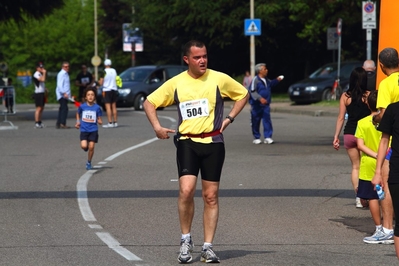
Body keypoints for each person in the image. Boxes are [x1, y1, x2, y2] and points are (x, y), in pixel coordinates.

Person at [143, 40, 249, 264]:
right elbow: (149, 103)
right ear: (187, 60)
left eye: (205, 56)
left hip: (213, 143)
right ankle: (185, 239)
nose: (202, 60)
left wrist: (229, 119)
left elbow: (243, 94)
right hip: (187, 142)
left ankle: (208, 247)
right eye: (197, 57)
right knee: (186, 190)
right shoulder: (177, 83)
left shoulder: (218, 79)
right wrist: (157, 127)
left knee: (210, 196)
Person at [371, 47, 399, 245]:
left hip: (391, 143)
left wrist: (375, 118)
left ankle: (388, 228)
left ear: (381, 66)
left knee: (387, 186)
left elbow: (383, 114)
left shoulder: (386, 83)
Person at [355, 90, 390, 244]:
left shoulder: (362, 122)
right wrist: (382, 156)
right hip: (387, 160)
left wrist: (375, 155)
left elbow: (360, 145)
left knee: (372, 196)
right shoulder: (388, 121)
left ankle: (378, 227)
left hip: (369, 162)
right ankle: (389, 225)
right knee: (386, 193)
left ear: (367, 104)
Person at [333, 67, 371, 208]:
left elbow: (341, 117)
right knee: (367, 165)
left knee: (356, 166)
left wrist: (336, 136)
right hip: (364, 134)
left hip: (349, 133)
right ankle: (368, 195)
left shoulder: (345, 96)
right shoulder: (369, 95)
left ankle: (358, 197)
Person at [249, 63, 283, 144]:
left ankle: (268, 137)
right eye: (265, 69)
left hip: (266, 104)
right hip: (257, 105)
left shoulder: (266, 80)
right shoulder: (255, 80)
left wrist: (277, 80)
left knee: (267, 120)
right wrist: (260, 98)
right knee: (256, 120)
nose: (266, 70)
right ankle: (256, 137)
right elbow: (252, 91)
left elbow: (271, 84)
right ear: (260, 71)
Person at [75, 87, 103, 170]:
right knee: (84, 146)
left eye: (92, 95)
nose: (90, 96)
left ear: (94, 97)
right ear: (85, 97)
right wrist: (78, 122)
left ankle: (89, 162)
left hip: (93, 130)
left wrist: (100, 121)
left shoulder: (97, 108)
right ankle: (86, 147)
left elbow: (99, 118)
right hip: (84, 130)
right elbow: (78, 113)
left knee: (91, 147)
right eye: (88, 95)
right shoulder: (82, 106)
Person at [101, 59, 118, 128]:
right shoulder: (114, 70)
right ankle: (115, 122)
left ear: (105, 64)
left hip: (106, 89)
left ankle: (110, 122)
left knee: (108, 107)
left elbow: (101, 82)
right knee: (114, 106)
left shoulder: (104, 71)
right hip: (114, 89)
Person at [55, 61, 71, 129]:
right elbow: (59, 85)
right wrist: (64, 93)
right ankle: (62, 123)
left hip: (65, 94)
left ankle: (59, 123)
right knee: (64, 109)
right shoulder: (61, 74)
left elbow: (66, 85)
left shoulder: (66, 74)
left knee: (62, 108)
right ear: (62, 67)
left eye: (68, 66)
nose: (67, 68)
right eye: (65, 67)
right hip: (62, 94)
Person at [33, 62, 47, 128]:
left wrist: (45, 88)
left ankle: (40, 121)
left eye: (42, 67)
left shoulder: (40, 74)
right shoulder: (36, 74)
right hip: (38, 93)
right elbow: (42, 80)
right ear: (37, 68)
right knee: (38, 108)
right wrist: (44, 73)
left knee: (42, 108)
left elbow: (42, 83)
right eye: (40, 67)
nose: (42, 68)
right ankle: (36, 122)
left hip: (42, 92)